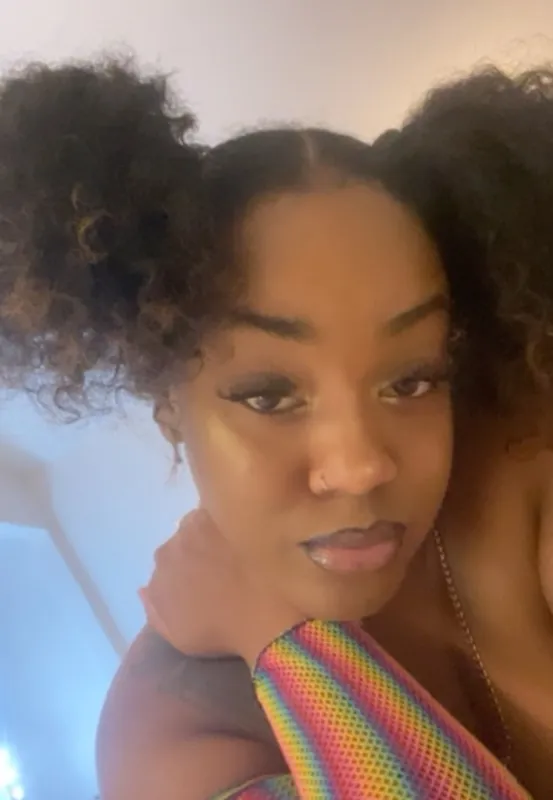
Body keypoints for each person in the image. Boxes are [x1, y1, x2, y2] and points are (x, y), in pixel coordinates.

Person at [0, 59, 551, 798]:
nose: (359, 466)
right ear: (169, 406)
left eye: (411, 380)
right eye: (268, 395)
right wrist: (285, 639)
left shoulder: (525, 466)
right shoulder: (169, 726)